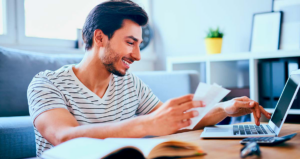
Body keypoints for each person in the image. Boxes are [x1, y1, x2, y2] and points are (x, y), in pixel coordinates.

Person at [27, 0, 271, 157]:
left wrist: (225, 109)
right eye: (130, 42)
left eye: (139, 44)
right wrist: (146, 124)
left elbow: (175, 121)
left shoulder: (130, 83)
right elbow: (62, 137)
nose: (137, 55)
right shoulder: (47, 83)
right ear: (99, 38)